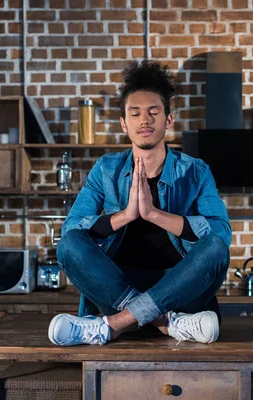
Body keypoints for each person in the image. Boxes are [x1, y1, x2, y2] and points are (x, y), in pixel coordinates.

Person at [48, 60, 232, 346]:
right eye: (135, 114)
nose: (144, 120)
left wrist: (155, 215)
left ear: (168, 119)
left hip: (180, 290)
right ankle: (167, 323)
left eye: (153, 112)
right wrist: (127, 215)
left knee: (215, 248)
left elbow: (221, 233)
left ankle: (113, 326)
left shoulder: (196, 170)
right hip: (118, 289)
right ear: (124, 123)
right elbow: (73, 227)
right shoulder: (106, 169)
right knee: (68, 244)